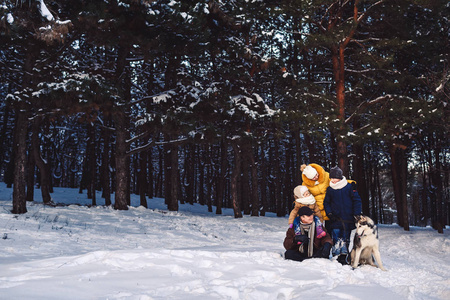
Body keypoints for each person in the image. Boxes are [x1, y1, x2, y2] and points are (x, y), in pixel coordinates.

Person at [323, 166, 362, 264]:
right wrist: (329, 213)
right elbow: (326, 202)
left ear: (340, 178)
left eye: (334, 178)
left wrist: (356, 214)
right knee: (336, 236)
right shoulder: (330, 189)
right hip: (335, 218)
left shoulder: (349, 187)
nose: (332, 180)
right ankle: (336, 255)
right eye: (331, 178)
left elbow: (357, 201)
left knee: (345, 237)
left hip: (347, 218)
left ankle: (344, 256)